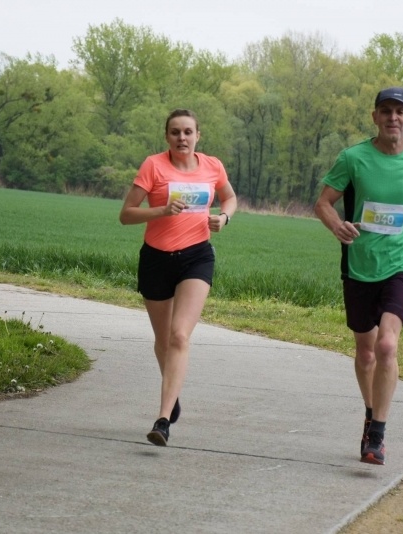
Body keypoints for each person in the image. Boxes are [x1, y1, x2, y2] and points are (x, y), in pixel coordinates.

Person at [314, 87, 403, 465]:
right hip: (360, 264)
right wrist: (336, 225)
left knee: (387, 346)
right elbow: (323, 203)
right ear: (375, 117)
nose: (393, 117)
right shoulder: (353, 158)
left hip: (402, 264)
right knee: (365, 352)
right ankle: (370, 411)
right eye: (386, 111)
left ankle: (377, 433)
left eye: (400, 111)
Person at [119, 109, 237, 447]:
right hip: (156, 259)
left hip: (196, 257)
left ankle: (162, 420)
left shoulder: (212, 166)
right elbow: (126, 215)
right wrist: (161, 210)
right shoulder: (153, 166)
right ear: (167, 136)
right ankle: (174, 394)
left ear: (198, 135)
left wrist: (224, 217)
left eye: (187, 132)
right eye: (175, 132)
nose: (181, 138)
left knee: (179, 335)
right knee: (163, 340)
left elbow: (229, 197)